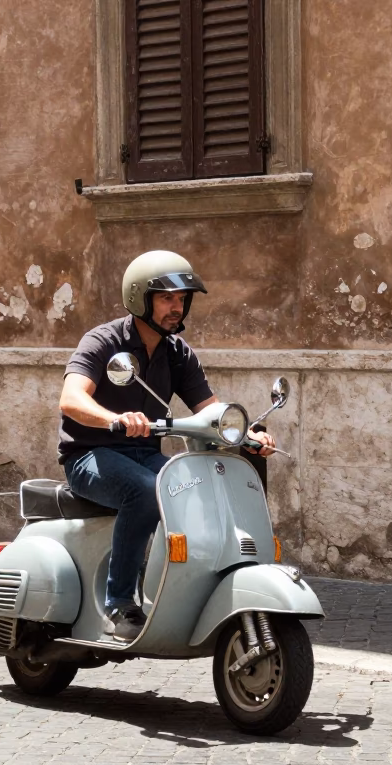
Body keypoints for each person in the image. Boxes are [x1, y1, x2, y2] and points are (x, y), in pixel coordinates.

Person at [58, 250, 276, 641]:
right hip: (90, 455)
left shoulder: (177, 353)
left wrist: (247, 435)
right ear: (139, 298)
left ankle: (182, 589)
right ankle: (119, 604)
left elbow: (211, 412)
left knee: (199, 487)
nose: (176, 307)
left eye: (181, 299)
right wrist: (114, 418)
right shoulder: (103, 341)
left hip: (144, 454)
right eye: (166, 298)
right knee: (146, 491)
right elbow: (71, 400)